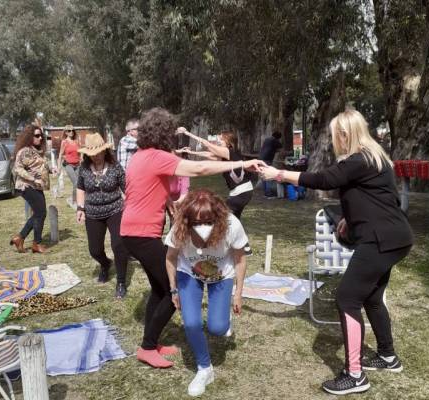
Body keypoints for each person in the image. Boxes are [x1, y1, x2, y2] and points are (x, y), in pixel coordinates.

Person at [260, 108, 414, 396]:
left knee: (346, 298)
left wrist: (278, 173)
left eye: (334, 136)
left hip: (380, 240)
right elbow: (380, 197)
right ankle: (388, 356)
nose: (333, 142)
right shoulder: (376, 157)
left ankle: (355, 376)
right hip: (396, 237)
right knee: (372, 296)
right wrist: (348, 215)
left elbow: (323, 180)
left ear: (345, 134)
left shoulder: (360, 159)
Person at [119, 107, 264, 369]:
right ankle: (148, 347)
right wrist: (241, 163)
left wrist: (169, 205)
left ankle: (151, 342)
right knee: (174, 294)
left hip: (131, 231)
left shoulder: (140, 157)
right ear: (163, 134)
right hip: (141, 233)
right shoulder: (156, 156)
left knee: (158, 289)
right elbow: (197, 169)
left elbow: (150, 190)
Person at [165, 189, 247, 397]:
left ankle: (222, 320)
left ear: (217, 217)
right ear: (188, 219)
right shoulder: (179, 227)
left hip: (222, 276)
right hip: (188, 273)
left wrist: (238, 293)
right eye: (196, 222)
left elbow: (240, 259)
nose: (202, 227)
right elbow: (171, 258)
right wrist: (174, 289)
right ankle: (204, 369)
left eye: (208, 221)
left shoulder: (231, 225)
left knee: (218, 328)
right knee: (191, 323)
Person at [76, 133, 129, 299]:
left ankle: (121, 281)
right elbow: (80, 188)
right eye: (92, 154)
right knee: (94, 250)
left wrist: (131, 206)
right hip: (93, 212)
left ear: (105, 151)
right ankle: (105, 264)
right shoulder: (84, 168)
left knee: (119, 245)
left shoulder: (115, 167)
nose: (96, 157)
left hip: (115, 210)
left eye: (99, 153)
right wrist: (80, 208)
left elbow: (126, 188)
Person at [10, 124, 50, 254]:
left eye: (41, 136)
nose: (40, 138)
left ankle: (20, 238)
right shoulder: (25, 151)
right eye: (37, 136)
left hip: (36, 186)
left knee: (39, 213)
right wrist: (32, 179)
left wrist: (50, 169)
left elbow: (37, 166)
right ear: (29, 137)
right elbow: (18, 168)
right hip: (27, 186)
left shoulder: (35, 150)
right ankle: (36, 244)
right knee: (41, 213)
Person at [57, 125, 80, 206]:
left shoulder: (76, 141)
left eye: (72, 130)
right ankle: (75, 201)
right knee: (76, 183)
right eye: (69, 131)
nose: (71, 132)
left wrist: (82, 159)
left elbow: (80, 152)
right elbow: (60, 155)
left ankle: (77, 199)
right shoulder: (64, 142)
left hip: (77, 164)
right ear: (66, 132)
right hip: (68, 165)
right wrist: (59, 167)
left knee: (80, 183)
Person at [259, 131, 282, 198]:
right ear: (278, 137)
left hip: (261, 159)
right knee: (268, 176)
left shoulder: (267, 139)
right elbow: (280, 146)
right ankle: (269, 194)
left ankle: (265, 193)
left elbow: (270, 148)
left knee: (263, 176)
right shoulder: (274, 140)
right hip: (267, 160)